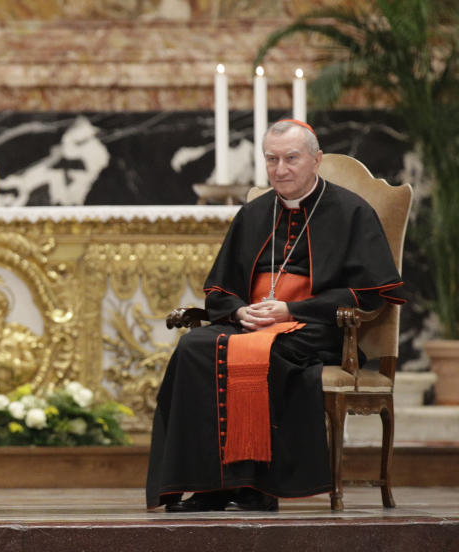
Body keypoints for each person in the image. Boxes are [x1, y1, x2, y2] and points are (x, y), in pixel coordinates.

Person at [146, 119, 405, 512]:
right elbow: (220, 287)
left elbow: (369, 292)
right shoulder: (253, 213)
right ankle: (208, 486)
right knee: (194, 348)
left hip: (318, 328)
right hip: (252, 324)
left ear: (316, 160)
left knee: (267, 356)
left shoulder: (352, 212)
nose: (280, 169)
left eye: (291, 158)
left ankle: (256, 485)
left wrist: (291, 309)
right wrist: (240, 311)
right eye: (272, 159)